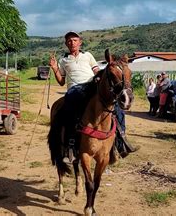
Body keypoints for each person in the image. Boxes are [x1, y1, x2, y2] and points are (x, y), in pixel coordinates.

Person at [49, 31, 138, 162]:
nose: (72, 42)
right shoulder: (63, 60)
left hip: (91, 85)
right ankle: (70, 146)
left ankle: (121, 143)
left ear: (80, 42)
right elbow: (61, 81)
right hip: (75, 88)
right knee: (68, 110)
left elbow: (96, 71)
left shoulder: (88, 55)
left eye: (74, 40)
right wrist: (55, 68)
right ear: (66, 44)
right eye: (69, 41)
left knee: (115, 107)